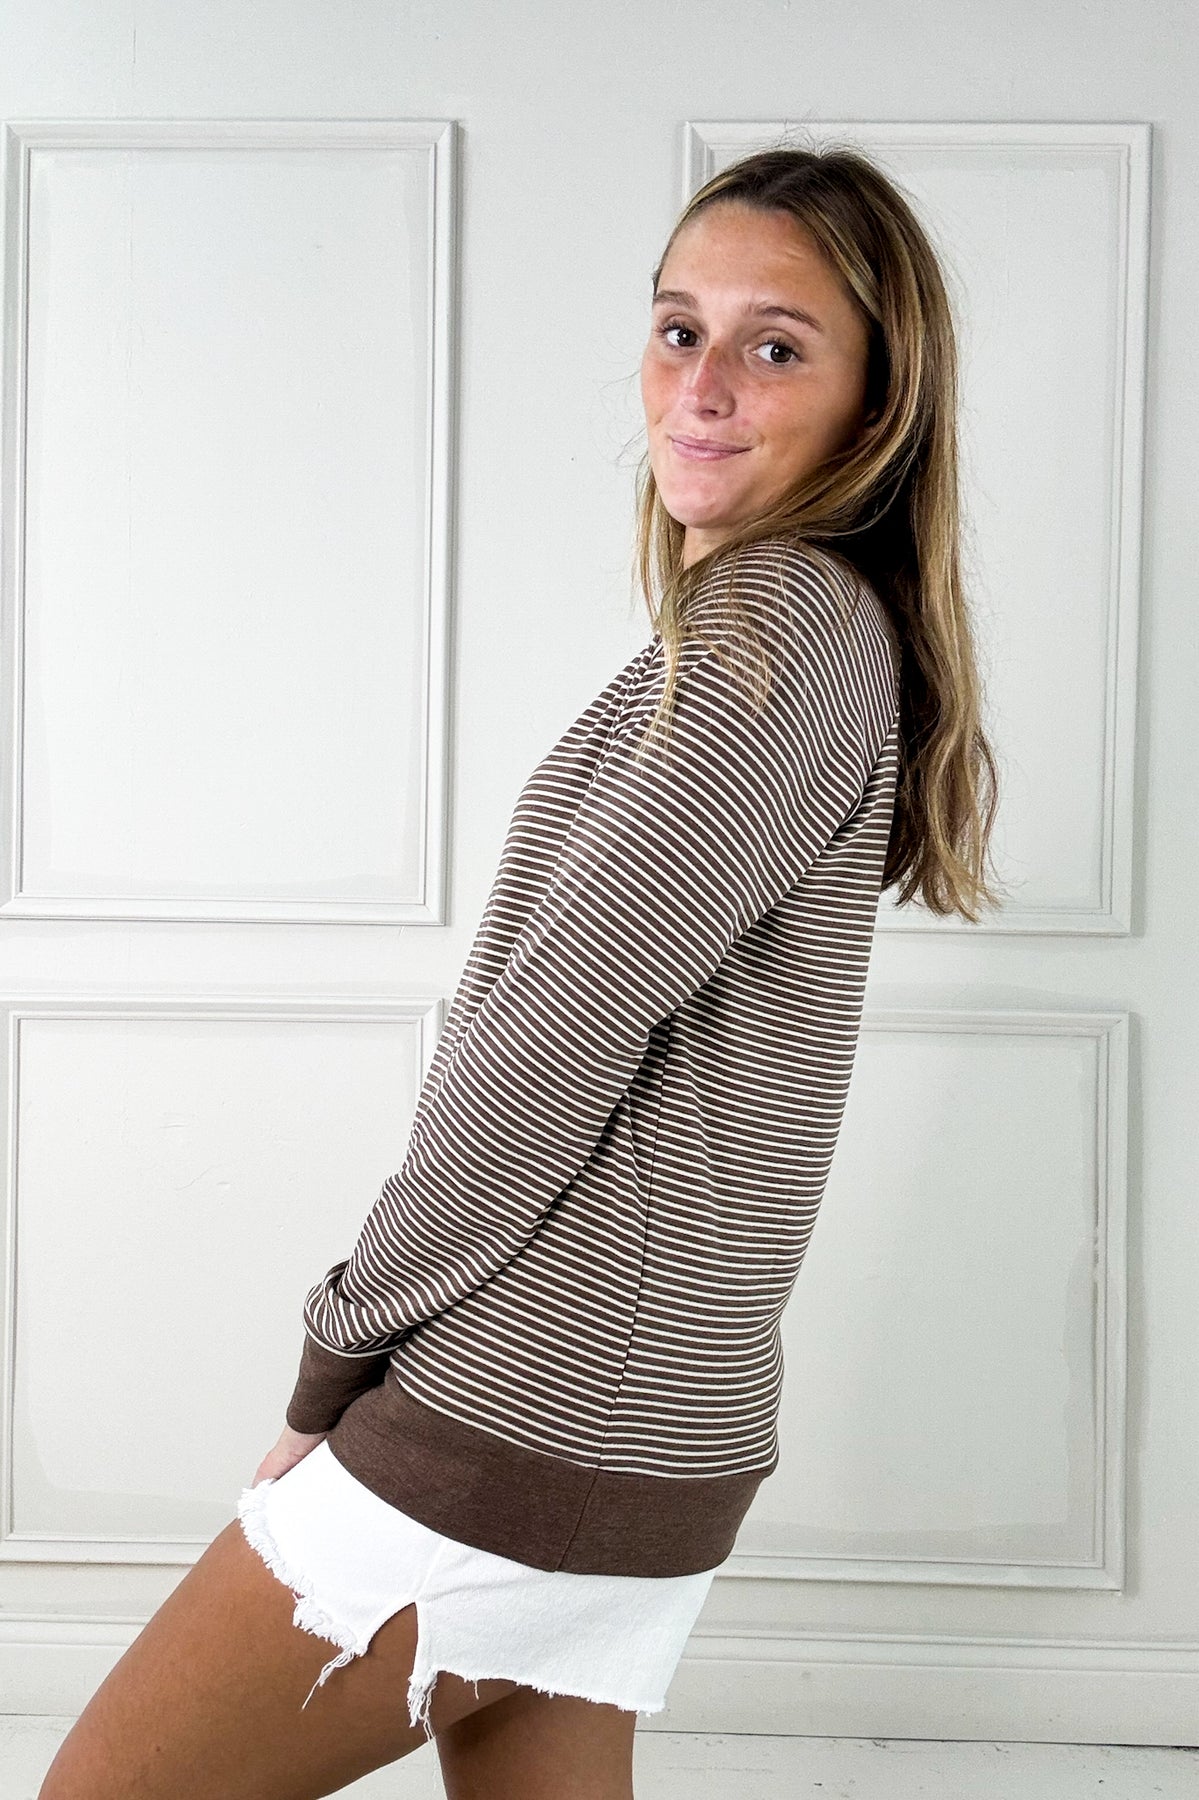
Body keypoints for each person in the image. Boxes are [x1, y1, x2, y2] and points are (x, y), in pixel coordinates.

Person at [38, 140, 1001, 1800]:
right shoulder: (809, 633)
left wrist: (339, 1355)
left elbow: (547, 1044)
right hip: (655, 1422)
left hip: (530, 1404)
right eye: (678, 328)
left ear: (878, 402)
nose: (702, 385)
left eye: (776, 346)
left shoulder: (781, 631)